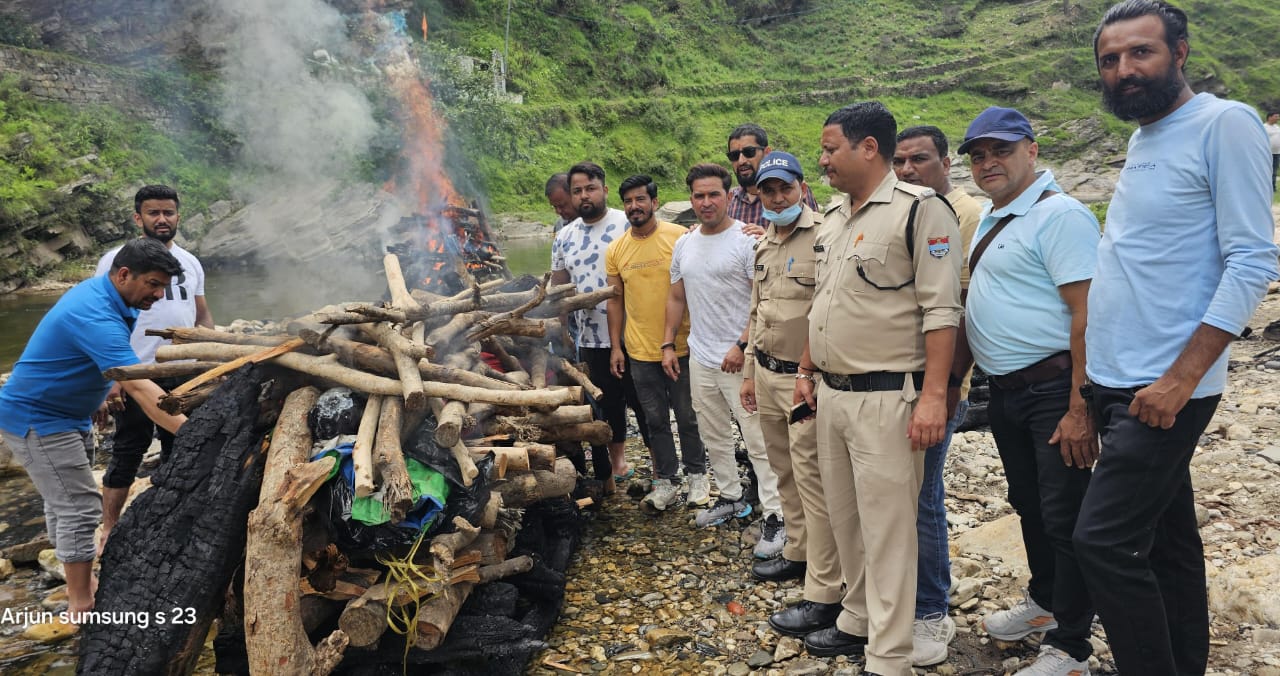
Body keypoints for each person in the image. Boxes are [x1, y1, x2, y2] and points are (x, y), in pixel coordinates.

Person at [1080, 3, 1280, 674]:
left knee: (1102, 543)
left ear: (1181, 53)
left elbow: (1252, 259)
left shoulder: (1225, 124)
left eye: (1141, 53)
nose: (1124, 70)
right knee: (1168, 542)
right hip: (1116, 377)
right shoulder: (1144, 137)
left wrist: (1182, 378)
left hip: (1163, 384)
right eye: (1111, 60)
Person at [794, 101, 961, 676]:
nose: (823, 160)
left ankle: (889, 657)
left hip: (889, 396)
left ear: (869, 148)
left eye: (830, 148)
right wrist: (807, 372)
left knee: (890, 529)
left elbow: (942, 311)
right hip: (833, 394)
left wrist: (934, 396)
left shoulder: (921, 211)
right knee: (847, 519)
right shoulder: (837, 217)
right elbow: (825, 305)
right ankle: (858, 618)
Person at [952, 107, 1101, 676]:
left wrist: (1079, 405)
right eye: (978, 155)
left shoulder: (1060, 215)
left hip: (1053, 389)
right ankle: (1045, 604)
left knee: (1065, 514)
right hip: (1008, 392)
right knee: (1030, 504)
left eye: (1001, 151)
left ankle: (1071, 647)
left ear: (1031, 151)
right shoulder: (995, 217)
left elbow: (1087, 312)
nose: (988, 162)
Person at [0, 239, 188, 619]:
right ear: (123, 275)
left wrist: (99, 392)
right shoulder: (94, 313)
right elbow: (138, 384)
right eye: (153, 284)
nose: (159, 293)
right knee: (80, 509)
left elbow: (80, 356)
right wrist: (191, 433)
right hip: (40, 418)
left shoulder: (110, 296)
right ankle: (81, 602)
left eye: (163, 286)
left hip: (70, 412)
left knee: (64, 500)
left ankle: (69, 571)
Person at [891, 125, 983, 667]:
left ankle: (931, 608)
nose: (908, 170)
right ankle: (900, 596)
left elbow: (960, 310)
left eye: (920, 159)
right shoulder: (904, 210)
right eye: (900, 161)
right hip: (898, 381)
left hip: (938, 386)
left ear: (946, 162)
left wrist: (947, 389)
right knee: (894, 494)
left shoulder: (962, 214)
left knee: (923, 496)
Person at [736, 151, 842, 621]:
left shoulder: (825, 236)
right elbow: (758, 312)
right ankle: (797, 554)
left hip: (805, 381)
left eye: (786, 188)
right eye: (768, 190)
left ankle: (823, 588)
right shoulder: (764, 244)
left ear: (802, 187)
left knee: (812, 480)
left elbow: (827, 315)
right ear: (757, 196)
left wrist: (808, 375)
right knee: (783, 473)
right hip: (766, 372)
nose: (778, 197)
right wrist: (748, 374)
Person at [662, 163, 785, 559]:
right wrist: (668, 344)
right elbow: (677, 297)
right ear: (691, 199)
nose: (706, 202)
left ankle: (776, 514)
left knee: (757, 437)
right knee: (712, 432)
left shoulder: (747, 242)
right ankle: (732, 497)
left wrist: (742, 344)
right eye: (698, 195)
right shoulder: (684, 243)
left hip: (741, 359)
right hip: (700, 356)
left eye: (714, 194)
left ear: (729, 196)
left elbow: (763, 300)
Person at [93, 184, 212, 547]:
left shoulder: (190, 262)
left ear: (178, 216)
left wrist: (213, 359)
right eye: (153, 213)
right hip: (136, 373)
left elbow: (202, 315)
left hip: (186, 371)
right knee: (129, 448)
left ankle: (176, 521)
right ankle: (109, 527)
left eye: (168, 212)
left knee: (183, 446)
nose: (162, 219)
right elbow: (99, 319)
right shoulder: (116, 261)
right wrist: (107, 379)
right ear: (138, 217)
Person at [605, 175, 706, 510]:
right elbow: (615, 301)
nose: (634, 207)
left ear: (654, 201)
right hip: (639, 351)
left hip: (683, 347)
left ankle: (697, 476)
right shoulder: (617, 250)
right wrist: (617, 347)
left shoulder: (680, 238)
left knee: (688, 416)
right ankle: (666, 481)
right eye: (629, 201)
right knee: (655, 420)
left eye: (640, 200)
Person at [550, 162, 650, 490]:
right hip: (591, 338)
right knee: (606, 404)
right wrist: (561, 336)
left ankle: (662, 467)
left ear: (604, 190)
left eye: (590, 188)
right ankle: (617, 463)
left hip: (635, 334)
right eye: (577, 191)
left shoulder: (627, 224)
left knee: (644, 400)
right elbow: (560, 290)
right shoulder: (564, 237)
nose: (584, 196)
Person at [726, 123, 818, 227]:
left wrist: (768, 239)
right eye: (734, 155)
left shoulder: (796, 193)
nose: (741, 161)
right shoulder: (729, 199)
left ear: (767, 152)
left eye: (749, 152)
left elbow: (814, 233)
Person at [1264, 112, 1280, 191]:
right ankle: (1265, 187)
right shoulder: (1264, 127)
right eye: (1276, 116)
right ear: (1269, 117)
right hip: (1267, 153)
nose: (1278, 118)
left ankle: (1273, 187)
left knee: (1274, 170)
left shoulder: (1277, 127)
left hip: (1277, 153)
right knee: (1266, 170)